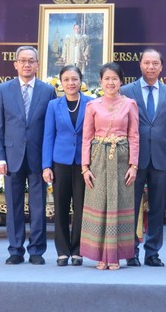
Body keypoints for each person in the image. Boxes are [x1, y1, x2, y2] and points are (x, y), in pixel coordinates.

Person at [0, 46, 57, 265]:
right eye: (23, 61)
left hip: (38, 157)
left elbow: (51, 129)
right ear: (16, 64)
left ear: (37, 65)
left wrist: (49, 161)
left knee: (38, 206)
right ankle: (16, 250)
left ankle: (37, 250)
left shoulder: (47, 90)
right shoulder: (3, 89)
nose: (27, 64)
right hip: (12, 157)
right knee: (14, 206)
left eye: (31, 61)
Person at [120, 49, 166, 267]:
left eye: (155, 63)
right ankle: (130, 252)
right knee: (131, 208)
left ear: (161, 67)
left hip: (161, 159)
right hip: (133, 161)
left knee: (157, 207)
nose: (151, 67)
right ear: (140, 65)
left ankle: (152, 252)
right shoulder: (126, 91)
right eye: (147, 63)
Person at [80, 63, 140, 270]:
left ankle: (114, 256)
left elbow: (134, 135)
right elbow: (86, 137)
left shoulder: (130, 104)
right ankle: (100, 256)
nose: (111, 82)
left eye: (115, 78)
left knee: (118, 204)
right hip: (97, 158)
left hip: (122, 158)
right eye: (107, 79)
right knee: (99, 204)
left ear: (121, 81)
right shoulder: (92, 105)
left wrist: (133, 165)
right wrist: (85, 167)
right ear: (101, 82)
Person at [42, 65, 93, 267]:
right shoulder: (54, 105)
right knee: (61, 207)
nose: (71, 83)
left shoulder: (91, 103)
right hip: (60, 162)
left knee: (81, 208)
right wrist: (46, 165)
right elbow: (48, 136)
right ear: (61, 83)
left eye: (74, 79)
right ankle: (62, 251)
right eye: (66, 80)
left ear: (81, 81)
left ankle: (78, 250)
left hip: (84, 163)